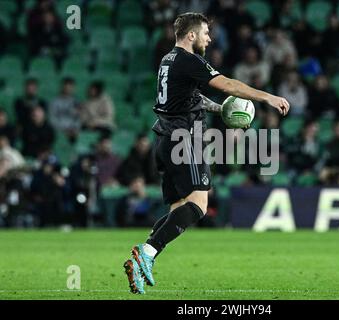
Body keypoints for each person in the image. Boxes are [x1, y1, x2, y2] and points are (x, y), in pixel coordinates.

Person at [123, 12, 290, 294]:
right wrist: (267, 97)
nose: (209, 38)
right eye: (205, 33)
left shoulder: (168, 60)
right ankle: (147, 252)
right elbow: (229, 85)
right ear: (191, 35)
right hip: (183, 139)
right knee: (199, 205)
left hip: (164, 140)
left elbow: (189, 97)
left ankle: (142, 261)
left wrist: (218, 108)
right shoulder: (191, 61)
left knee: (178, 211)